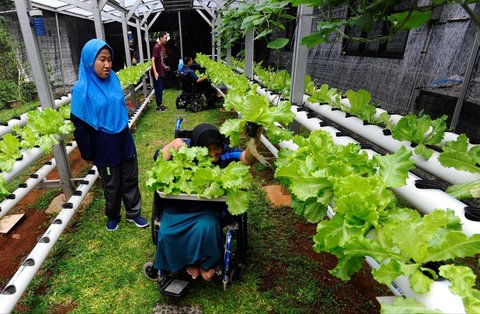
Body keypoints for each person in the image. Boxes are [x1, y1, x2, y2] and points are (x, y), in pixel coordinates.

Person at [146, 123, 261, 282]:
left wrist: (255, 138)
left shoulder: (226, 153)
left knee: (207, 226)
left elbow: (246, 159)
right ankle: (187, 262)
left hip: (210, 208)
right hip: (180, 205)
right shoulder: (188, 149)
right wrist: (174, 144)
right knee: (166, 231)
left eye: (217, 148)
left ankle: (206, 263)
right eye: (208, 149)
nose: (213, 154)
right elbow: (158, 159)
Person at [71, 38, 148, 232]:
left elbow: (120, 107)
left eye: (109, 60)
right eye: (102, 60)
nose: (107, 65)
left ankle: (134, 212)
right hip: (103, 141)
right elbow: (79, 124)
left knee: (130, 175)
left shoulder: (113, 79)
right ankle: (113, 215)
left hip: (123, 135)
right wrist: (88, 152)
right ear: (90, 61)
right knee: (111, 182)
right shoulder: (82, 89)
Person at [151, 32, 170, 111]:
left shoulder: (161, 47)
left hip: (160, 71)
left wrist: (164, 67)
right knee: (158, 88)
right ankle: (159, 106)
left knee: (161, 88)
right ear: (161, 38)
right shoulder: (156, 47)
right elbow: (153, 59)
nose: (166, 40)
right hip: (157, 72)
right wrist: (155, 72)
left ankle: (160, 104)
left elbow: (160, 60)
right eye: (165, 38)